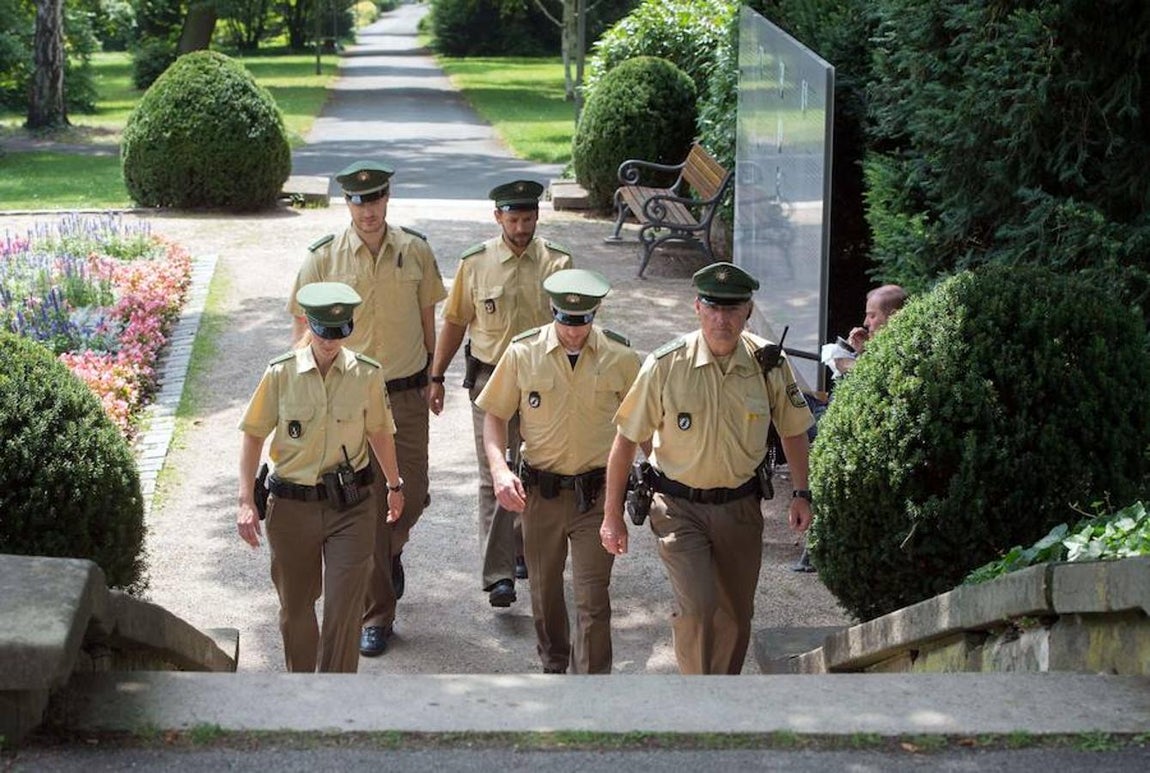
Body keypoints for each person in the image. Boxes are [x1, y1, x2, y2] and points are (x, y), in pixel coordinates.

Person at [599, 262, 814, 675]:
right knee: (697, 608)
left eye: (733, 309)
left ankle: (723, 695)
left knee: (735, 615)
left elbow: (793, 430)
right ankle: (697, 701)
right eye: (713, 308)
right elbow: (625, 441)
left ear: (748, 311)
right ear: (697, 307)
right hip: (678, 507)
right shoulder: (666, 364)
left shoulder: (768, 364)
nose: (722, 319)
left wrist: (802, 493)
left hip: (740, 506)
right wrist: (612, 517)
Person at [287, 160, 446, 658]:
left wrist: (434, 378)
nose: (367, 210)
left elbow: (428, 321)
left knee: (412, 494)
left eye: (374, 199)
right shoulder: (322, 258)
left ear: (386, 199)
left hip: (406, 393)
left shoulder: (416, 251)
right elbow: (300, 333)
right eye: (358, 201)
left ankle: (389, 553)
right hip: (348, 400)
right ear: (347, 204)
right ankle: (376, 615)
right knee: (366, 504)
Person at [476, 269, 641, 674]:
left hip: (597, 496)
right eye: (565, 320)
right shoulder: (522, 353)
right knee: (544, 590)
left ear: (595, 312)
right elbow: (495, 416)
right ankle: (553, 663)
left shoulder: (621, 358)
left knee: (592, 597)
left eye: (582, 320)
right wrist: (499, 469)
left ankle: (592, 685)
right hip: (541, 494)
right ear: (553, 311)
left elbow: (644, 424)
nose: (573, 331)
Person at [237, 282, 406, 673]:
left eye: (340, 333)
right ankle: (303, 694)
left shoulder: (366, 374)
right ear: (309, 325)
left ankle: (335, 698)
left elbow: (380, 431)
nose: (331, 342)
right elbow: (253, 434)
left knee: (343, 608)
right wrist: (246, 500)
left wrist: (395, 485)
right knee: (296, 608)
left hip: (352, 507)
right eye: (323, 333)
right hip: (291, 509)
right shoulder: (281, 374)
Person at [429, 179, 572, 608]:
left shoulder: (558, 264)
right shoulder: (475, 264)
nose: (522, 227)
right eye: (514, 220)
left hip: (542, 383)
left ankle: (523, 547)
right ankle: (498, 575)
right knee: (494, 475)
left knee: (539, 470)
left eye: (529, 219)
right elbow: (454, 322)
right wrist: (435, 377)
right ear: (498, 218)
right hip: (489, 381)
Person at [822, 284, 907, 378]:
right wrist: (864, 350)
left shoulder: (907, 347)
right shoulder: (881, 346)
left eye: (872, 316)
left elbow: (886, 378)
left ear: (893, 316)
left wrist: (850, 365)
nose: (865, 323)